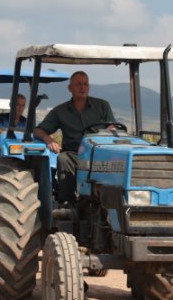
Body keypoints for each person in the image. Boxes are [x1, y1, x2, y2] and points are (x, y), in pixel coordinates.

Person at [34, 71, 115, 204]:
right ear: (70, 88)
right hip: (74, 155)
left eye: (85, 84)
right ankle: (67, 204)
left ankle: (112, 202)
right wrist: (49, 139)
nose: (82, 87)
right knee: (63, 158)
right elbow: (38, 130)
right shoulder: (60, 111)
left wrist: (110, 131)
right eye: (78, 84)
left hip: (98, 153)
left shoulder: (102, 106)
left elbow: (112, 127)